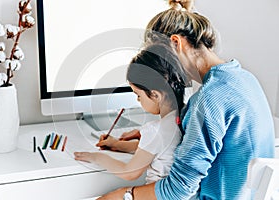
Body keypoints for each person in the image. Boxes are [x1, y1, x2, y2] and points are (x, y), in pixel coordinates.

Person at [96, 0, 275, 199]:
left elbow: (178, 189)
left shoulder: (209, 98)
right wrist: (150, 134)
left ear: (176, 43)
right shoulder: (244, 78)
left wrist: (125, 194)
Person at [74, 42, 188, 185]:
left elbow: (130, 172)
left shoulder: (156, 130)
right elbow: (150, 150)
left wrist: (97, 158)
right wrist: (116, 144)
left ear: (155, 95)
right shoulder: (185, 117)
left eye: (138, 95)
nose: (137, 100)